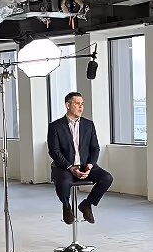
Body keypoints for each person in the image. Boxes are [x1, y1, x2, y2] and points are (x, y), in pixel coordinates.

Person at [47, 92, 114, 224]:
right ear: (68, 105)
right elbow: (54, 151)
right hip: (65, 167)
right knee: (63, 182)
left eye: (82, 104)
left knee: (107, 178)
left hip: (85, 165)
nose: (81, 107)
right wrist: (70, 167)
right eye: (77, 103)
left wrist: (90, 165)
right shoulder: (55, 126)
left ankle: (87, 204)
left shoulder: (89, 125)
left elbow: (95, 148)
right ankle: (67, 207)